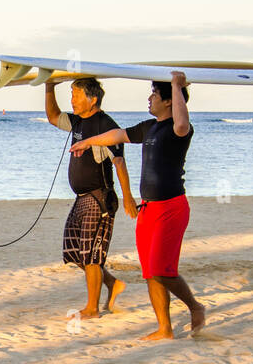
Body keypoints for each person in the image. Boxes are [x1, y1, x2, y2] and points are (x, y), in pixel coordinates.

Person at [71, 71, 205, 339]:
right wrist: (86, 142)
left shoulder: (179, 129)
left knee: (160, 269)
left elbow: (180, 124)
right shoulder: (149, 127)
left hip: (171, 207)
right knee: (150, 273)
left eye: (154, 94)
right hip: (149, 208)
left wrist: (176, 85)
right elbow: (117, 135)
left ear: (169, 101)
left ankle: (195, 306)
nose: (149, 98)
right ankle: (164, 328)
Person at [45, 77, 133, 319]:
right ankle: (113, 284)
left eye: (76, 95)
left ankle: (92, 308)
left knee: (92, 255)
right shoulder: (77, 122)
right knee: (75, 252)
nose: (71, 100)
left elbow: (119, 163)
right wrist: (49, 86)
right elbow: (53, 117)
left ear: (92, 99)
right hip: (81, 198)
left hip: (100, 198)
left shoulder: (106, 126)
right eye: (71, 95)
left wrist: (127, 197)